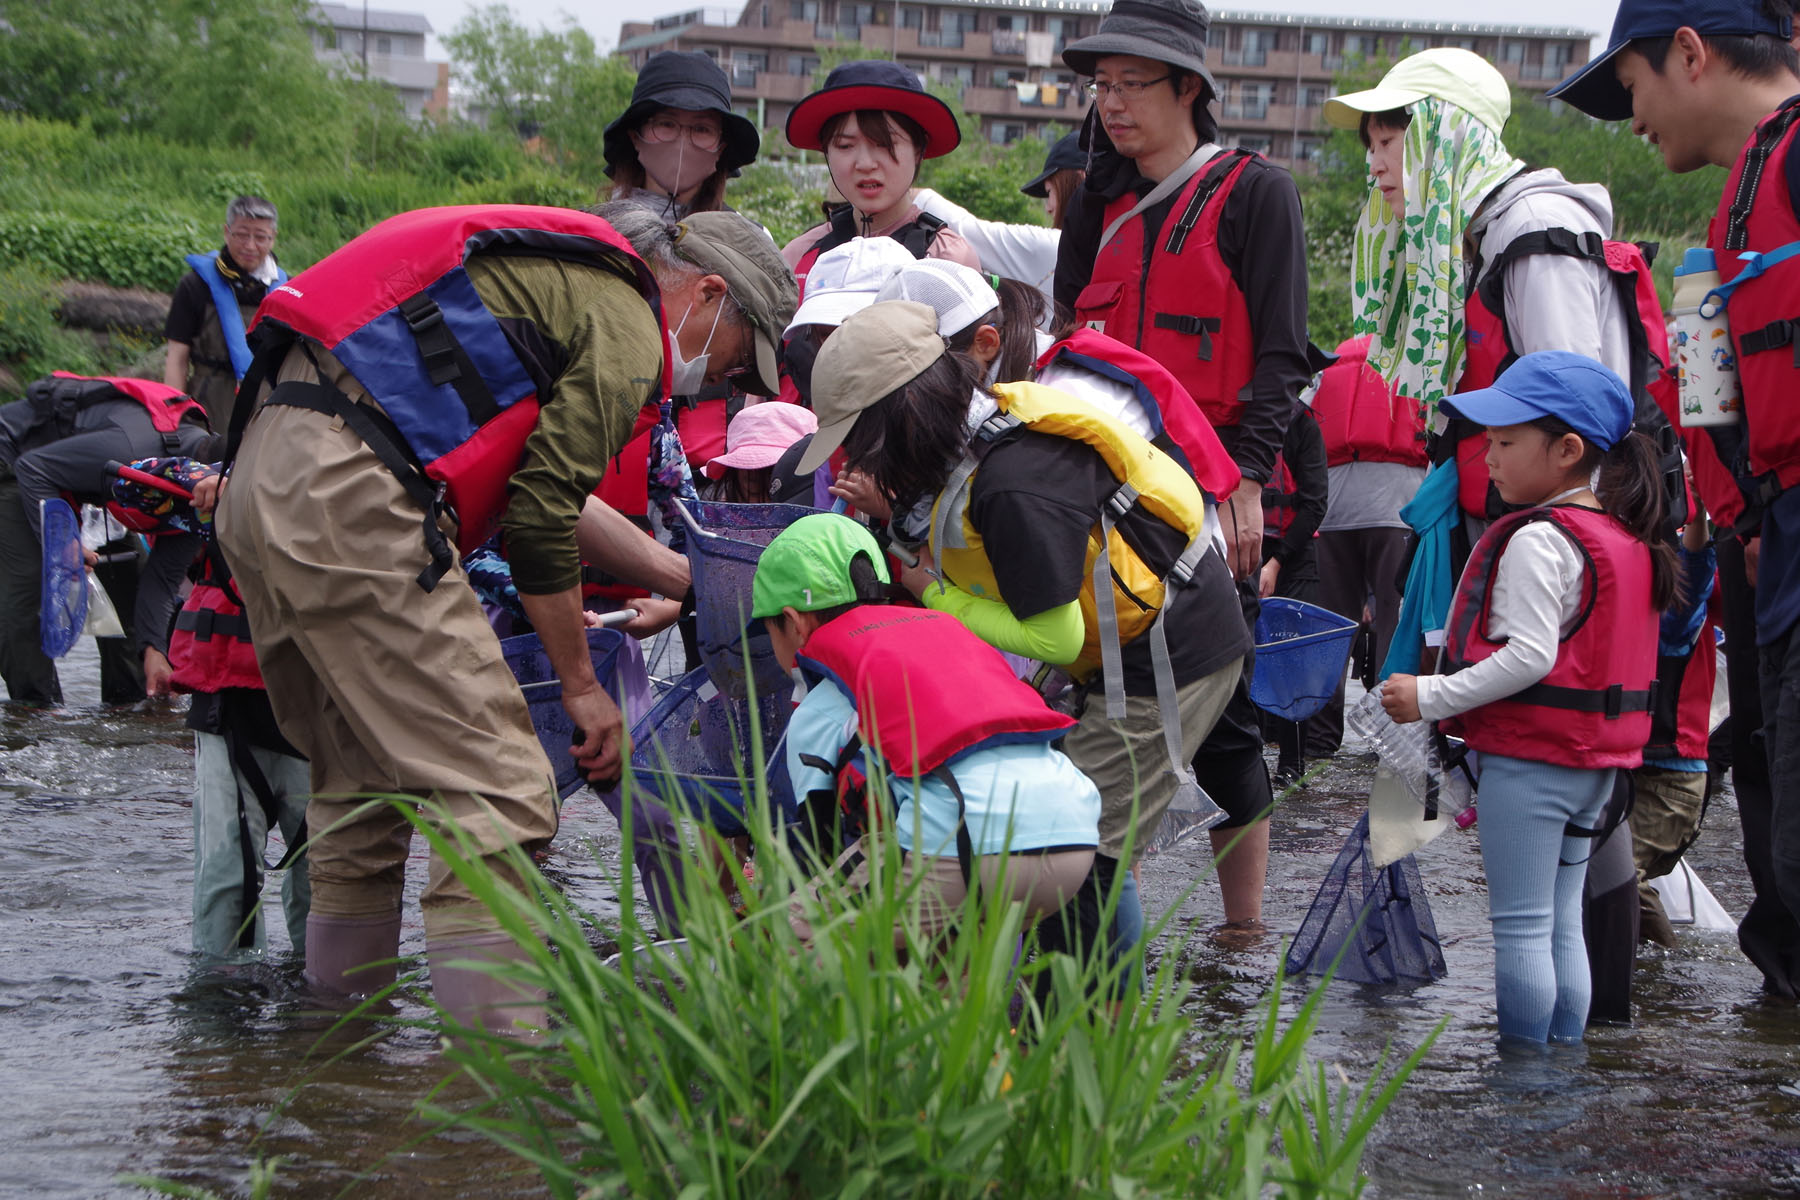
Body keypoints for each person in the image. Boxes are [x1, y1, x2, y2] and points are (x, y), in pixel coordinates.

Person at [214, 204, 796, 1033]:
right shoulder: (631, 323)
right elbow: (539, 519)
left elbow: (541, 486)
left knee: (361, 794)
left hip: (264, 487)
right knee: (504, 791)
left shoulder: (557, 285)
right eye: (741, 357)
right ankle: (490, 1104)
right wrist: (582, 687)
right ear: (707, 293)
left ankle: (336, 1061)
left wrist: (685, 572)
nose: (725, 378)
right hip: (355, 494)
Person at [801, 300, 1246, 964]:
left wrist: (934, 595)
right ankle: (1060, 1010)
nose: (861, 458)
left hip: (1170, 657)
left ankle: (1089, 1029)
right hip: (1119, 652)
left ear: (901, 418)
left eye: (862, 439)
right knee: (1067, 835)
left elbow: (1053, 640)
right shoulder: (979, 437)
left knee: (1084, 846)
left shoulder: (1014, 483)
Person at [1547, 0, 1800, 1000]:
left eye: (1632, 86)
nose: (1634, 117)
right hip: (1768, 558)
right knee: (1781, 870)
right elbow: (1716, 409)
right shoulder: (1721, 229)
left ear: (1690, 54)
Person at [1056, 0, 1312, 931]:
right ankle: (1097, 904)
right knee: (1103, 692)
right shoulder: (1095, 199)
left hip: (1213, 495)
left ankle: (1243, 930)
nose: (1112, 104)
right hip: (1108, 490)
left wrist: (1244, 474)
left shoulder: (1256, 193)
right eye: (1102, 85)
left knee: (1227, 717)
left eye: (1132, 84)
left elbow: (1285, 354)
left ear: (1190, 90)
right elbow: (1070, 348)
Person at [1383, 352, 1669, 1043]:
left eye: (1507, 442)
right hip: (1597, 771)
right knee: (1562, 921)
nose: (1489, 458)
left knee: (1519, 928)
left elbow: (1529, 657)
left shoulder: (1539, 541)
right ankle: (1561, 1067)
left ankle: (1522, 1083)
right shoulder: (1622, 537)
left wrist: (1430, 695)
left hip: (1532, 768)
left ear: (1568, 451)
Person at [753, 512, 1100, 946]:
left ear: (794, 621)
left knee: (795, 929)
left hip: (969, 845)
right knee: (946, 952)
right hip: (1073, 835)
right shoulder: (942, 633)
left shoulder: (821, 707)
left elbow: (818, 849)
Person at [0, 373, 213, 706]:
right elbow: (33, 469)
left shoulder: (203, 502)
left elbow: (161, 582)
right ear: (199, 477)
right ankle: (35, 717)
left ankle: (129, 708)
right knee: (30, 591)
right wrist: (63, 545)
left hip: (82, 478)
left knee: (131, 582)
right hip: (16, 462)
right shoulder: (133, 449)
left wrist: (154, 650)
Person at [1303, 335, 1427, 758]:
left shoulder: (1331, 367)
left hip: (1333, 512)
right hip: (1397, 510)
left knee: (1332, 629)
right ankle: (1390, 736)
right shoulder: (1416, 362)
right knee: (1395, 622)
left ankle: (1318, 741)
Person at [780, 60, 972, 286]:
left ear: (918, 149)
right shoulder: (799, 257)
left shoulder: (947, 258)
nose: (865, 163)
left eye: (883, 144)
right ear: (826, 152)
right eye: (845, 146)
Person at [904, 130, 1082, 304]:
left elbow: (968, 231)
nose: (1049, 208)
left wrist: (905, 194)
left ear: (1079, 180)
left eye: (1050, 192)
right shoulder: (1101, 250)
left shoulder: (1055, 246)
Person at [164, 195, 286, 431]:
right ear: (226, 232)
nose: (250, 246)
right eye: (241, 234)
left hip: (265, 413)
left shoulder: (286, 291)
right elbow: (177, 359)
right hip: (207, 407)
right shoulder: (195, 286)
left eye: (260, 237)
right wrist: (173, 418)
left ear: (273, 238)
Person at [1256, 401, 1328, 788]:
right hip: (1248, 546)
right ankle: (1246, 760)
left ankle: (1291, 763)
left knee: (1291, 658)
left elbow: (1315, 504)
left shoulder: (1304, 427)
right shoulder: (1246, 422)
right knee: (1241, 655)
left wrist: (1276, 563)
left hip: (1294, 555)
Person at [602, 51, 760, 220]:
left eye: (702, 129)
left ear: (721, 147)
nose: (682, 141)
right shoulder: (594, 236)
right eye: (666, 124)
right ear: (635, 136)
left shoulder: (745, 240)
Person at [700, 401, 817, 505]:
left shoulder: (830, 508)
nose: (765, 505)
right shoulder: (711, 514)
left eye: (772, 475)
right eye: (752, 488)